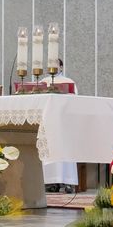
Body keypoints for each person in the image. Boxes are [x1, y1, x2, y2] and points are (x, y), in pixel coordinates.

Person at [42, 59, 79, 193]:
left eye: (55, 64)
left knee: (65, 152)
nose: (52, 66)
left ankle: (68, 181)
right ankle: (50, 182)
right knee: (49, 151)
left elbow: (74, 102)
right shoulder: (43, 82)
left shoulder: (69, 82)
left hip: (64, 123)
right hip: (48, 123)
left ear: (61, 67)